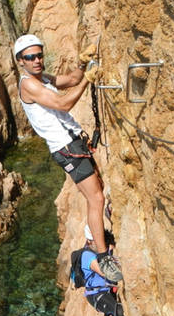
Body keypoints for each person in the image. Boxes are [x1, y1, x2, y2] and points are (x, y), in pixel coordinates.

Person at [14, 34, 122, 282]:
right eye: (30, 57)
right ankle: (103, 257)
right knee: (95, 197)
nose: (37, 60)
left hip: (73, 142)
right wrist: (88, 79)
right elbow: (62, 105)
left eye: (39, 55)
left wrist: (83, 65)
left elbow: (70, 79)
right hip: (65, 148)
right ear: (21, 61)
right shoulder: (29, 84)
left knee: (98, 190)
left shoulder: (43, 79)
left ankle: (92, 233)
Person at [81, 225, 124, 316]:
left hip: (105, 289)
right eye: (95, 239)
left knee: (109, 312)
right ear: (89, 241)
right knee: (118, 310)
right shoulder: (87, 255)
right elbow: (104, 273)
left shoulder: (102, 247)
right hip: (96, 294)